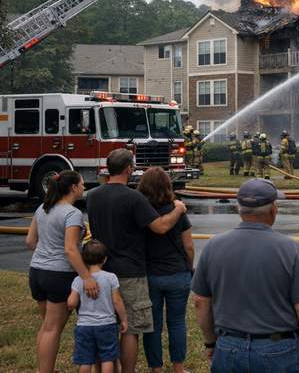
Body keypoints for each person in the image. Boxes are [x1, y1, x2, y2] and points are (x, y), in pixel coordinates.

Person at [192, 179, 299, 373]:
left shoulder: (213, 246)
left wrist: (211, 343)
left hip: (228, 347)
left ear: (239, 210)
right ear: (274, 210)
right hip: (280, 350)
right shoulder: (290, 249)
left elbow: (200, 302)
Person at [86, 148, 187, 373]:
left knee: (106, 325)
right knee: (130, 329)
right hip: (131, 272)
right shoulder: (134, 198)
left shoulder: (92, 196)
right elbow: (160, 227)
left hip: (100, 271)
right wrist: (178, 209)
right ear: (129, 169)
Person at [26, 171, 99, 373]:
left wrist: (47, 251)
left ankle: (44, 369)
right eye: (82, 184)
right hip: (58, 275)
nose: (84, 187)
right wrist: (87, 277)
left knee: (46, 326)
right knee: (52, 329)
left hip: (36, 271)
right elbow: (70, 249)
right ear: (73, 188)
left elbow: (30, 241)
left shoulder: (42, 208)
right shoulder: (72, 214)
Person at [138, 168, 195, 373]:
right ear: (167, 185)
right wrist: (189, 267)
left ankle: (156, 368)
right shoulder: (177, 210)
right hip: (177, 273)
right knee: (177, 322)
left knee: (152, 325)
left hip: (151, 274)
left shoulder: (141, 211)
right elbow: (189, 246)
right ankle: (178, 367)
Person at [67, 240, 128, 373]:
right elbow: (117, 301)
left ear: (83, 259)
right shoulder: (111, 277)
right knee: (107, 358)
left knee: (85, 360)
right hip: (107, 324)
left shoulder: (79, 280)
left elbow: (71, 303)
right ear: (104, 259)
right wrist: (123, 319)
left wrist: (70, 305)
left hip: (84, 326)